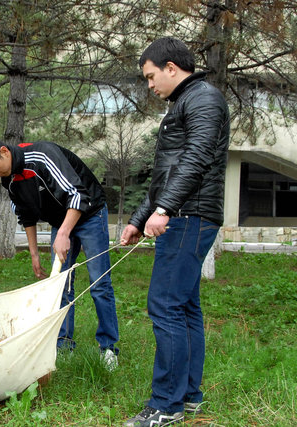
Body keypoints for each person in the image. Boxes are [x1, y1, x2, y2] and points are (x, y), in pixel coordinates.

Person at [121, 37, 230, 426]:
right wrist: (139, 217)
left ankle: (166, 406)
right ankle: (189, 397)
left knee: (166, 304)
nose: (149, 85)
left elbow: (198, 157)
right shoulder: (185, 102)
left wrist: (165, 209)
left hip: (189, 216)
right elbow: (168, 172)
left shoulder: (202, 98)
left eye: (151, 77)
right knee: (184, 307)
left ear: (171, 68)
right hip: (185, 212)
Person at [0, 136, 119, 369]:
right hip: (61, 221)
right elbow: (25, 214)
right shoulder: (8, 179)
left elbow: (78, 195)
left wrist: (63, 234)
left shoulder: (41, 156)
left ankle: (108, 348)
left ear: (4, 152)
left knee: (99, 283)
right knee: (60, 284)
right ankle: (63, 344)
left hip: (90, 214)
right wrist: (34, 254)